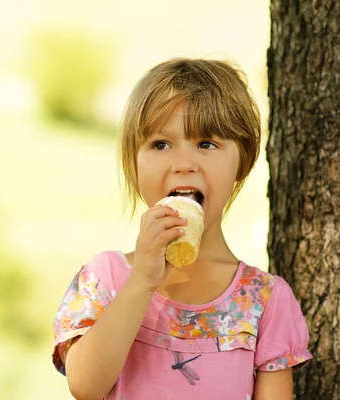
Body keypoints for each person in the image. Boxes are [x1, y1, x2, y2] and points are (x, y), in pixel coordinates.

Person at [51, 58, 312, 400]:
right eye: (160, 144)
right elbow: (84, 386)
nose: (184, 164)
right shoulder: (106, 278)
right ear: (134, 162)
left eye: (207, 143)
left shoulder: (266, 300)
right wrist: (143, 279)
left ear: (242, 160)